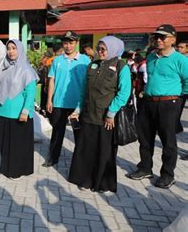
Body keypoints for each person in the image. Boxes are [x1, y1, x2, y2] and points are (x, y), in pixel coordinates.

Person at [68, 36, 131, 193]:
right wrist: (77, 110)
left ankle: (103, 183)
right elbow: (84, 91)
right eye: (99, 49)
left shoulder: (121, 66)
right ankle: (85, 180)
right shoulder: (93, 65)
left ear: (113, 49)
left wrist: (111, 113)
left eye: (103, 49)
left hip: (106, 118)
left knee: (105, 152)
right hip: (89, 115)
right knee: (86, 150)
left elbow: (124, 93)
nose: (100, 52)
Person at [128, 25, 188, 188]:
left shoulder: (181, 60)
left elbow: (187, 83)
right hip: (148, 102)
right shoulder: (152, 56)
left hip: (168, 103)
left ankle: (168, 174)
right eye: (156, 37)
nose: (159, 40)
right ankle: (145, 168)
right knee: (145, 138)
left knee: (168, 141)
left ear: (173, 39)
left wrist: (175, 97)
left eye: (163, 37)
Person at [0, 39, 38, 179]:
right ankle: (7, 167)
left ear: (20, 50)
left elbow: (30, 93)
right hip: (4, 112)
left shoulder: (27, 70)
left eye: (14, 48)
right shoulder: (3, 68)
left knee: (17, 145)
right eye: (8, 48)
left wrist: (25, 111)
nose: (11, 51)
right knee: (5, 143)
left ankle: (16, 170)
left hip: (19, 114)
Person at [42, 31, 91, 167]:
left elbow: (89, 83)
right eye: (65, 43)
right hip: (59, 102)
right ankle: (53, 157)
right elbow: (51, 80)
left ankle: (80, 161)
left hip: (77, 104)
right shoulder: (57, 60)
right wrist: (49, 100)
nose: (68, 46)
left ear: (76, 43)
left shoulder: (85, 60)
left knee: (78, 133)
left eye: (71, 43)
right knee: (57, 132)